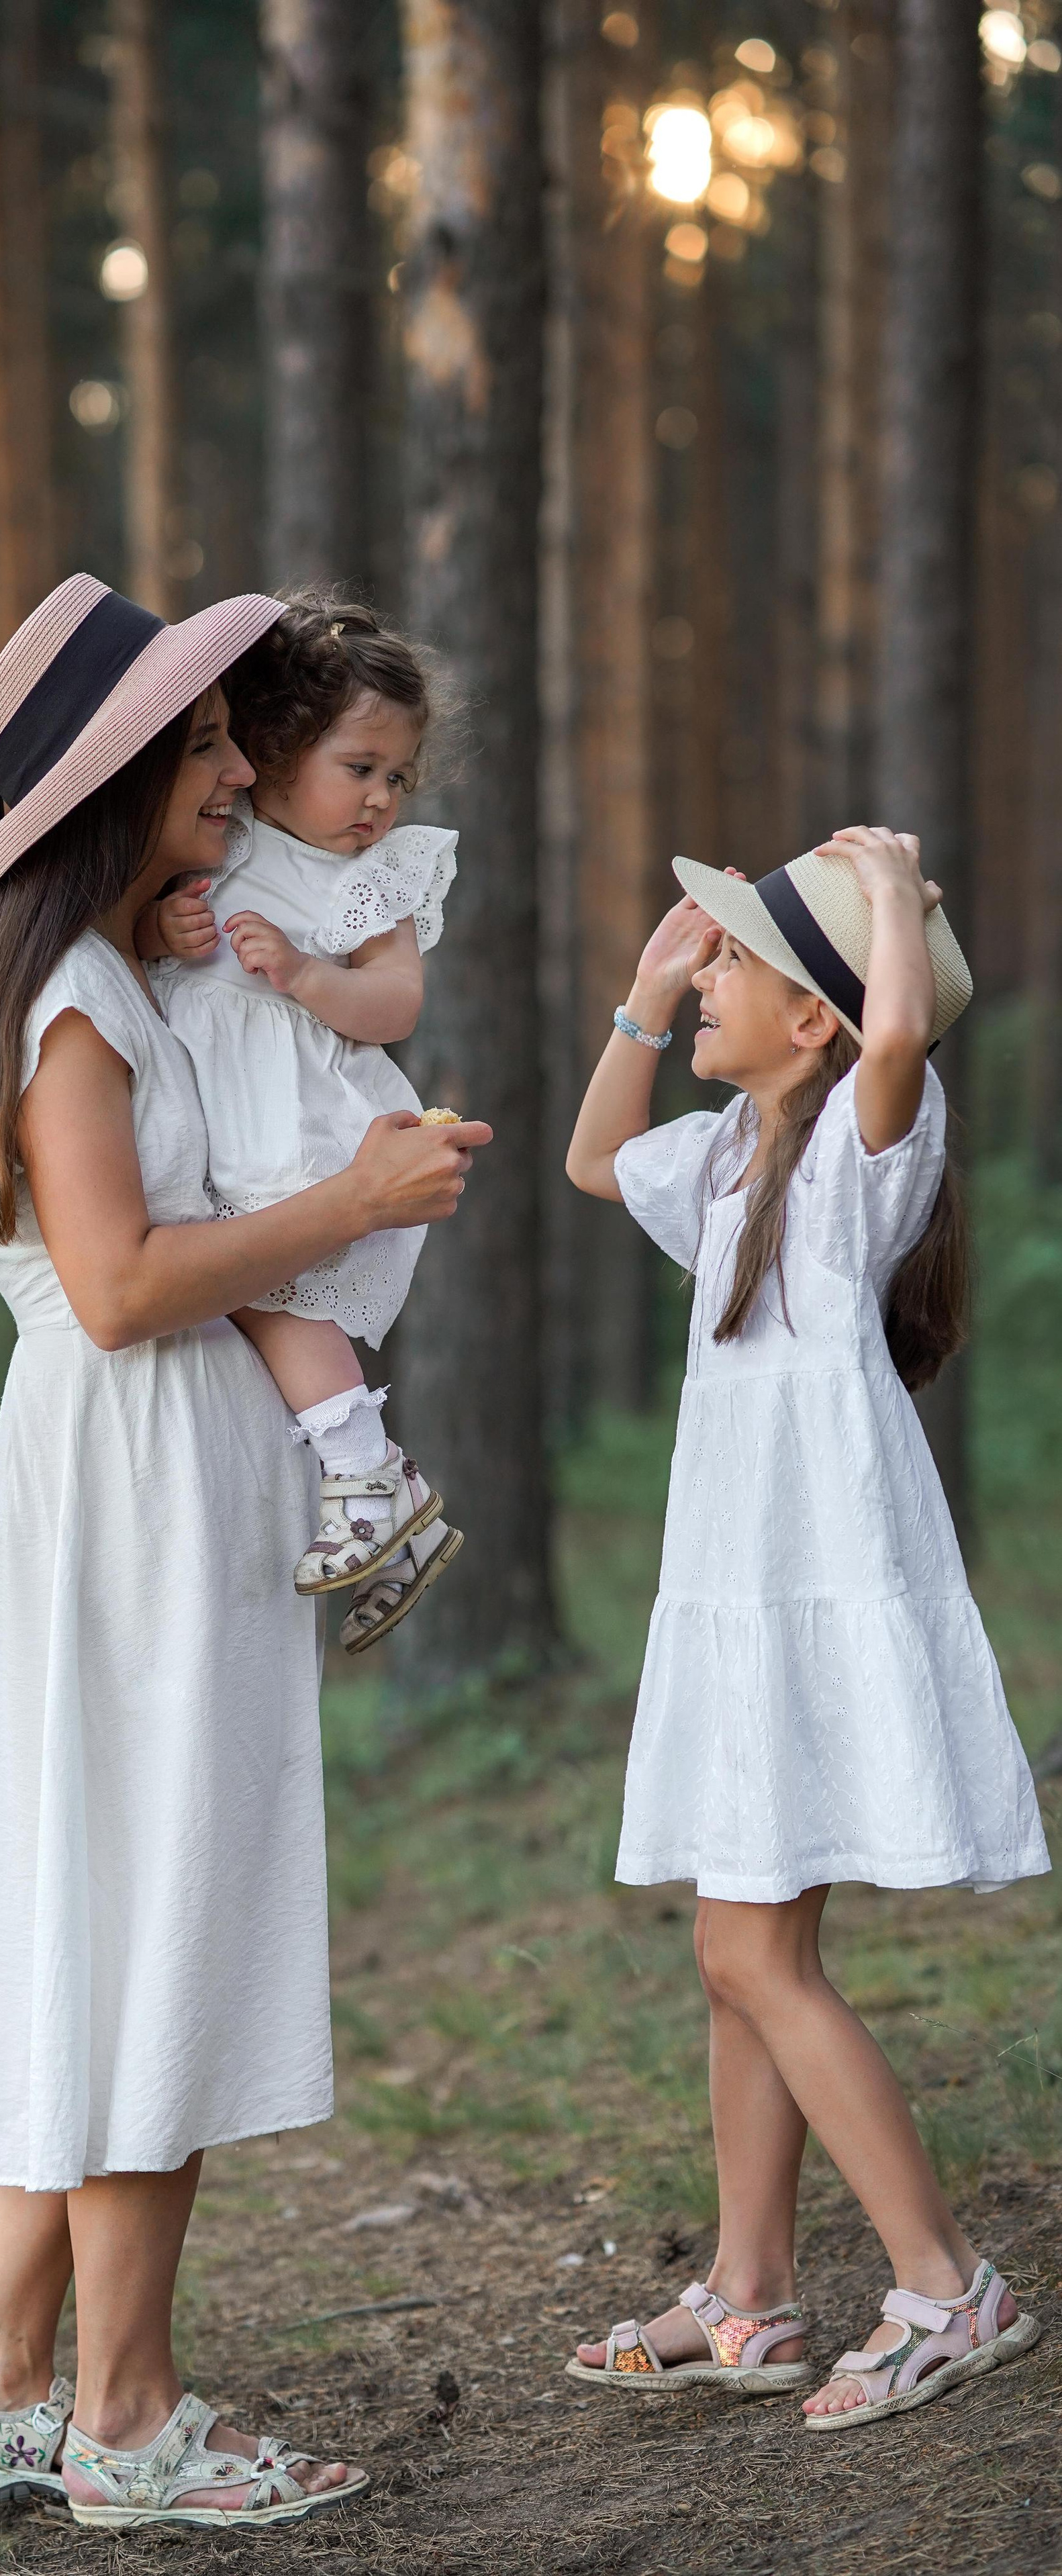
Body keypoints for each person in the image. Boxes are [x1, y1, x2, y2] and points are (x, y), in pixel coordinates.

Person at [0, 575, 489, 2529]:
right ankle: (131, 2416)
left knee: (105, 1909)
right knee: (156, 1919)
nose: (241, 767)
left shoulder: (100, 973)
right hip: (134, 1481)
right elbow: (122, 1283)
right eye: (211, 742)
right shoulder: (67, 1004)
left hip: (129, 1481)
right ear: (121, 776)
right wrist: (354, 1196)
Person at [563, 828, 1048, 2428]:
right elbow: (590, 1159)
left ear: (813, 1021)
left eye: (734, 960)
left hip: (814, 1588)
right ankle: (748, 2293)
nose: (706, 969)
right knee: (733, 1956)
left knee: (751, 1952)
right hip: (740, 1597)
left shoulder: (853, 1152)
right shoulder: (727, 1155)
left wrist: (896, 894)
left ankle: (946, 2284)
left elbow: (896, 1031)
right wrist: (643, 1000)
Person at [136, 596, 462, 1653]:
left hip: (300, 1123)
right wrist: (167, 927)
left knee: (273, 1293)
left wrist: (309, 975)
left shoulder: (369, 878)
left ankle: (366, 1471)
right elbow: (164, 954)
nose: (380, 799)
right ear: (274, 752)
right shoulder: (217, 838)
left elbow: (398, 1001)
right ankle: (392, 1513)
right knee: (241, 1302)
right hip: (219, 1120)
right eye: (359, 767)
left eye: (397, 777)